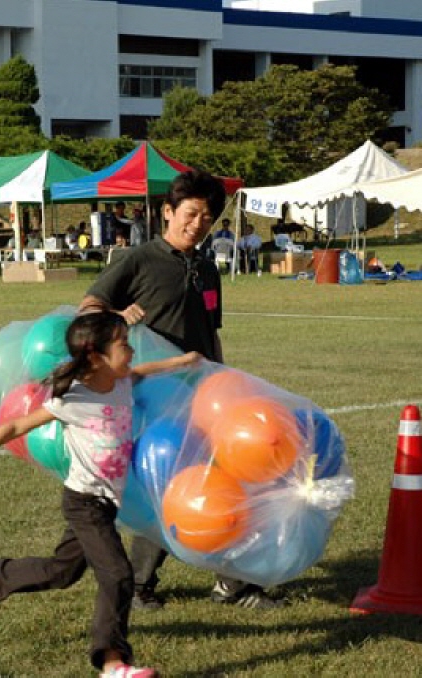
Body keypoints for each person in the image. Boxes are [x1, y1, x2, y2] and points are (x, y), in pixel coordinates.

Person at [0, 312, 200, 678]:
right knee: (117, 575)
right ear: (95, 355)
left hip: (106, 502)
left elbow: (145, 371)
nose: (131, 350)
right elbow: (16, 424)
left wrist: (183, 361)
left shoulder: (122, 381)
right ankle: (112, 663)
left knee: (62, 571)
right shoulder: (73, 397)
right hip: (85, 503)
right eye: (123, 344)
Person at [79, 169, 281, 611]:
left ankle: (233, 584)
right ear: (167, 212)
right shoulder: (138, 259)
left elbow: (212, 329)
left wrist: (226, 382)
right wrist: (116, 312)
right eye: (190, 213)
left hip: (206, 393)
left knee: (225, 476)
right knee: (166, 487)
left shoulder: (207, 268)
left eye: (207, 216)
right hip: (155, 394)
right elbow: (88, 307)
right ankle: (137, 584)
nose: (198, 223)